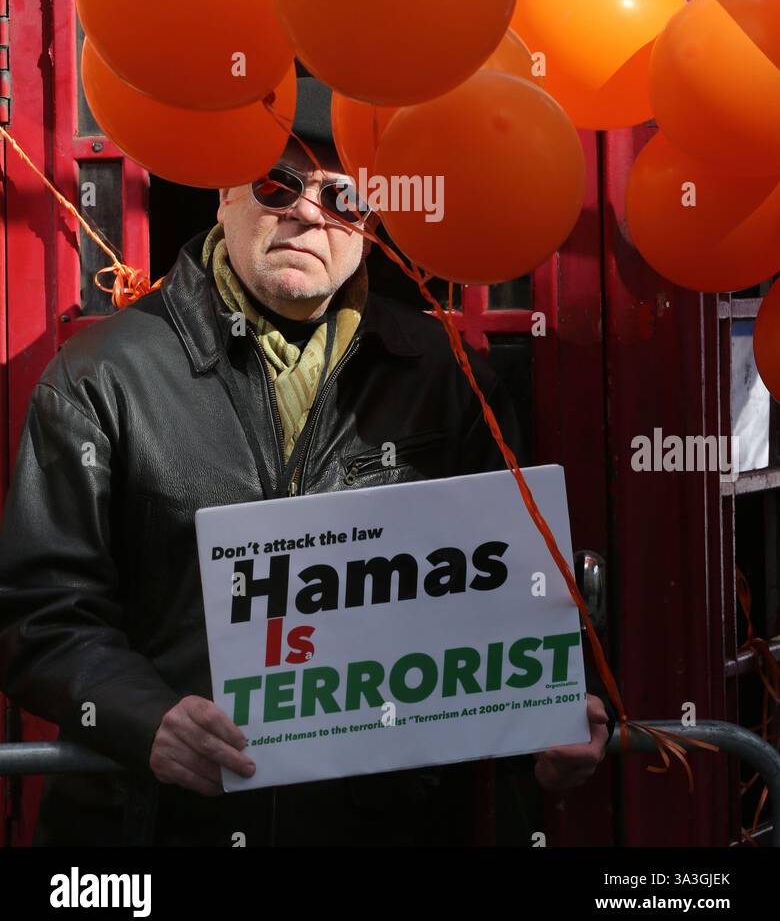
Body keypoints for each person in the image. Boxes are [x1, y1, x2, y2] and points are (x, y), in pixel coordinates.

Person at [0, 72, 613, 847]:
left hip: (384, 828)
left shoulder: (444, 375)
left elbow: (506, 592)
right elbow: (38, 611)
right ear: (224, 190)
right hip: (162, 827)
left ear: (372, 218)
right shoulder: (104, 374)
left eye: (343, 195)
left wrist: (550, 720)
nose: (307, 216)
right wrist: (142, 717)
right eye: (277, 182)